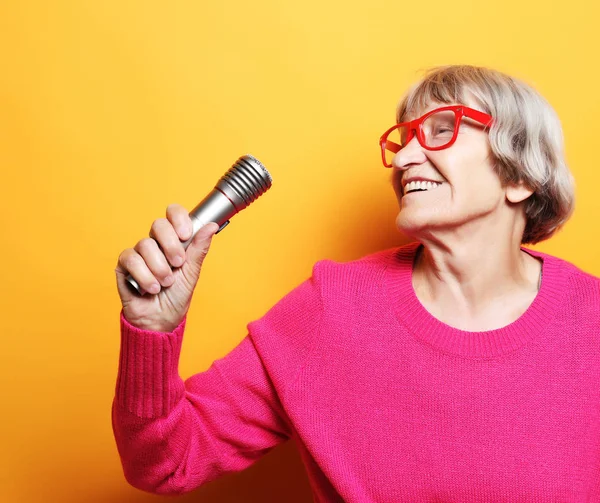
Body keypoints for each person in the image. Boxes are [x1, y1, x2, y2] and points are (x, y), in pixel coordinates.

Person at [112, 65, 600, 502]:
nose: (406, 156)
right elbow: (166, 461)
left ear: (521, 176)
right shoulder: (331, 309)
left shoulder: (591, 319)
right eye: (403, 138)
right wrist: (151, 331)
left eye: (442, 130)